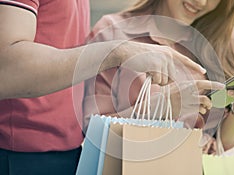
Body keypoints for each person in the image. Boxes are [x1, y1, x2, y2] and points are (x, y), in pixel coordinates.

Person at [0, 1, 208, 174]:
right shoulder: (115, 28)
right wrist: (119, 52)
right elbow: (5, 70)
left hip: (66, 153)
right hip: (21, 154)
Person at [84, 0, 234, 154]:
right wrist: (161, 108)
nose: (202, 2)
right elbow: (92, 130)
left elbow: (222, 143)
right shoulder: (114, 31)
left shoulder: (227, 40)